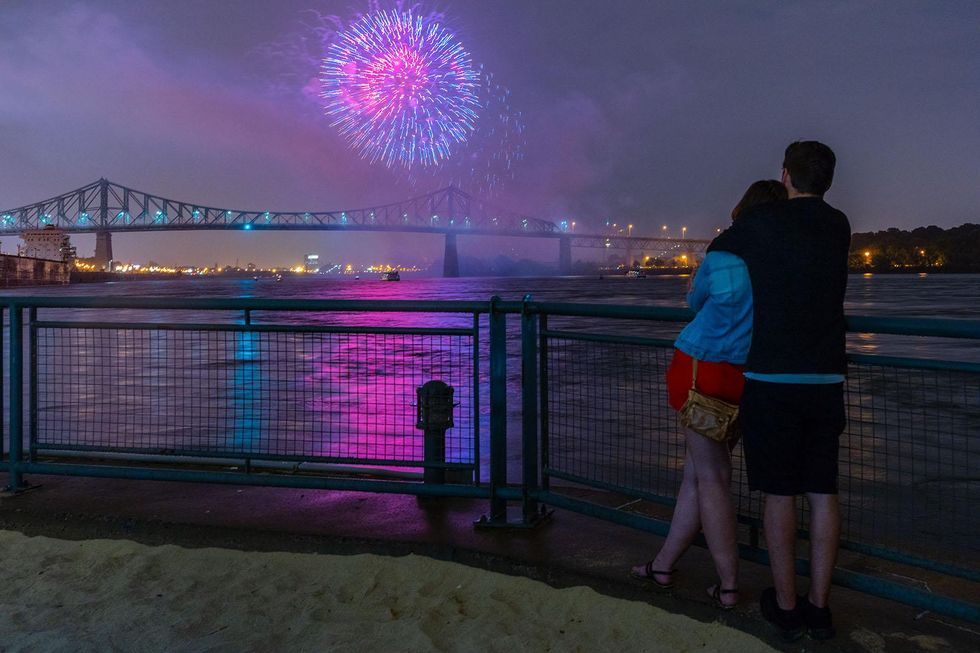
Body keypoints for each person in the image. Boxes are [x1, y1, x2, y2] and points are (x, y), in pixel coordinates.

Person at [708, 141, 850, 641]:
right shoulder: (840, 225)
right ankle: (820, 608)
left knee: (780, 494)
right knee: (823, 491)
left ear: (786, 175)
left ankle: (786, 606)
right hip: (827, 377)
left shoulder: (763, 225)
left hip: (771, 378)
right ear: (827, 180)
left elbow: (717, 250)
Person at [630, 179, 787, 610]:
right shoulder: (784, 261)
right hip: (749, 377)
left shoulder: (722, 256)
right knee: (698, 475)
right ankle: (663, 565)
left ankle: (729, 584)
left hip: (699, 373)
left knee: (711, 477)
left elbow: (695, 303)